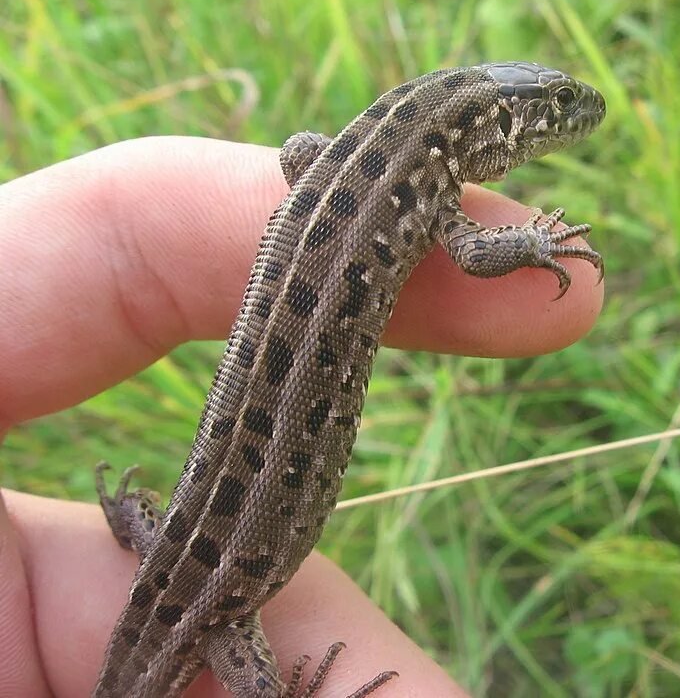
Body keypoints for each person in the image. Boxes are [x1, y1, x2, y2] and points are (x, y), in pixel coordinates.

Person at [0, 136, 603, 696]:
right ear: (496, 129)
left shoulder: (349, 160)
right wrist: (535, 243)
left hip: (174, 557)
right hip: (213, 614)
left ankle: (130, 519)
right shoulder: (423, 184)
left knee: (165, 539)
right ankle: (133, 522)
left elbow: (298, 152)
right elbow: (470, 249)